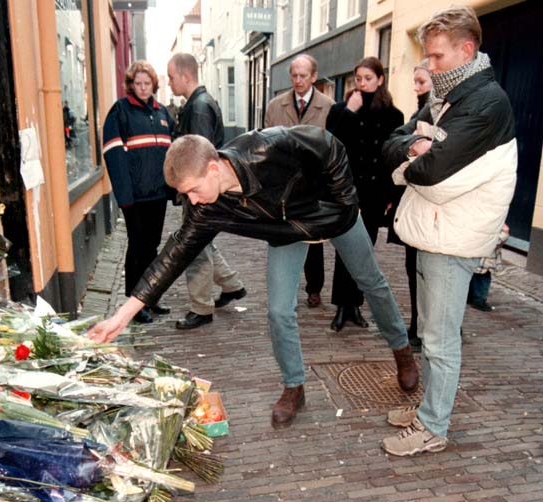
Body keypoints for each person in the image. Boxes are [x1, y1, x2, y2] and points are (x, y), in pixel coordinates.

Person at [88, 127, 418, 428]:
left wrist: (344, 203)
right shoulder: (208, 208)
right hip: (287, 232)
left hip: (328, 212)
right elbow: (172, 256)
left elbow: (327, 144)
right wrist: (122, 315)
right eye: (185, 195)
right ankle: (294, 387)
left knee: (371, 282)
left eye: (193, 190)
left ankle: (401, 351)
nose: (192, 200)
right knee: (278, 310)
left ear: (213, 168)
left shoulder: (266, 147)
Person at [382, 6, 517, 456]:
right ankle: (428, 410)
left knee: (440, 339)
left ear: (467, 49)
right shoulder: (449, 96)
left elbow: (432, 171)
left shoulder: (484, 102)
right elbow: (393, 143)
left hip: (452, 235)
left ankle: (433, 427)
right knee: (433, 334)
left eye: (437, 57)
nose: (431, 66)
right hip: (434, 230)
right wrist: (414, 146)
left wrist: (421, 151)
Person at [166, 52, 247, 330]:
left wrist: (193, 193)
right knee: (203, 242)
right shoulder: (200, 103)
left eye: (171, 77)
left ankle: (201, 308)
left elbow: (198, 156)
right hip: (202, 189)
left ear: (185, 76)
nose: (169, 83)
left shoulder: (198, 108)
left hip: (200, 190)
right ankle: (232, 285)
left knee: (193, 246)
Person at [326, 57, 404, 332]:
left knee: (365, 250)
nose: (362, 83)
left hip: (374, 193)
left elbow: (393, 157)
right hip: (347, 192)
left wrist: (391, 195)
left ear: (380, 80)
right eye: (358, 78)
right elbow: (330, 145)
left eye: (368, 78)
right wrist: (349, 112)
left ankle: (355, 305)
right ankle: (341, 306)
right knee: (344, 248)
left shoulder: (393, 116)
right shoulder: (340, 110)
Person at [102, 60, 175, 324]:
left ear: (154, 85)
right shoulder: (121, 111)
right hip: (135, 197)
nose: (143, 88)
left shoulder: (163, 113)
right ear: (131, 85)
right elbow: (113, 155)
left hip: (157, 194)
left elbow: (175, 153)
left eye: (147, 83)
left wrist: (173, 189)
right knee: (138, 248)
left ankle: (150, 297)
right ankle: (134, 304)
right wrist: (124, 196)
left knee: (152, 247)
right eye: (138, 83)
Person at [264, 54, 334, 309]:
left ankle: (314, 288)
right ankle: (286, 290)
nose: (298, 80)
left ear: (314, 77)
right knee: (285, 236)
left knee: (313, 239)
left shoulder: (328, 106)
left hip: (315, 184)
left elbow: (332, 147)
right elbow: (267, 145)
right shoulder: (275, 106)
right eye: (294, 75)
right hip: (284, 184)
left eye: (303, 75)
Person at [386, 62, 432, 348]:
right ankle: (418, 323)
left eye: (421, 82)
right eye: (414, 82)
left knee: (423, 268)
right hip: (413, 200)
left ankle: (423, 326)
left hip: (428, 204)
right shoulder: (419, 113)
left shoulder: (438, 112)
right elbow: (395, 142)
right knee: (414, 266)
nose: (416, 88)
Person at [467, 224, 509, 312]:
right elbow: (495, 241)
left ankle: (471, 297)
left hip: (478, 258)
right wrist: (505, 233)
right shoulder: (492, 226)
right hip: (486, 260)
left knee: (474, 277)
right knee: (483, 280)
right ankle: (479, 301)